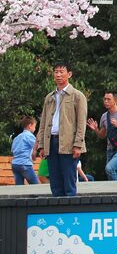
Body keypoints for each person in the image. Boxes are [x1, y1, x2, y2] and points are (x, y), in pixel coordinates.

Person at [35, 62, 87, 196]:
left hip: (68, 143)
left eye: (61, 72)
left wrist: (78, 144)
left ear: (69, 74)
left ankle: (70, 212)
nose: (58, 75)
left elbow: (81, 123)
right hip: (51, 141)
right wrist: (41, 145)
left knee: (68, 179)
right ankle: (57, 211)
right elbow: (43, 122)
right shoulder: (49, 97)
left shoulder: (77, 96)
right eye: (56, 72)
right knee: (55, 180)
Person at [87, 92, 117, 181]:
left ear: (115, 101)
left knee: (109, 168)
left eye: (108, 99)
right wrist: (96, 129)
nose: (106, 101)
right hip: (110, 150)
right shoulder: (104, 116)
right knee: (112, 175)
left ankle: (116, 192)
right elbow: (102, 135)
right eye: (104, 99)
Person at [10, 116, 38, 185]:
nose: (35, 128)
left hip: (15, 164)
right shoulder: (29, 136)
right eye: (34, 126)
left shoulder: (16, 138)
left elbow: (12, 151)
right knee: (36, 186)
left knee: (19, 188)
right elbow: (37, 146)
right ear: (29, 126)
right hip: (25, 164)